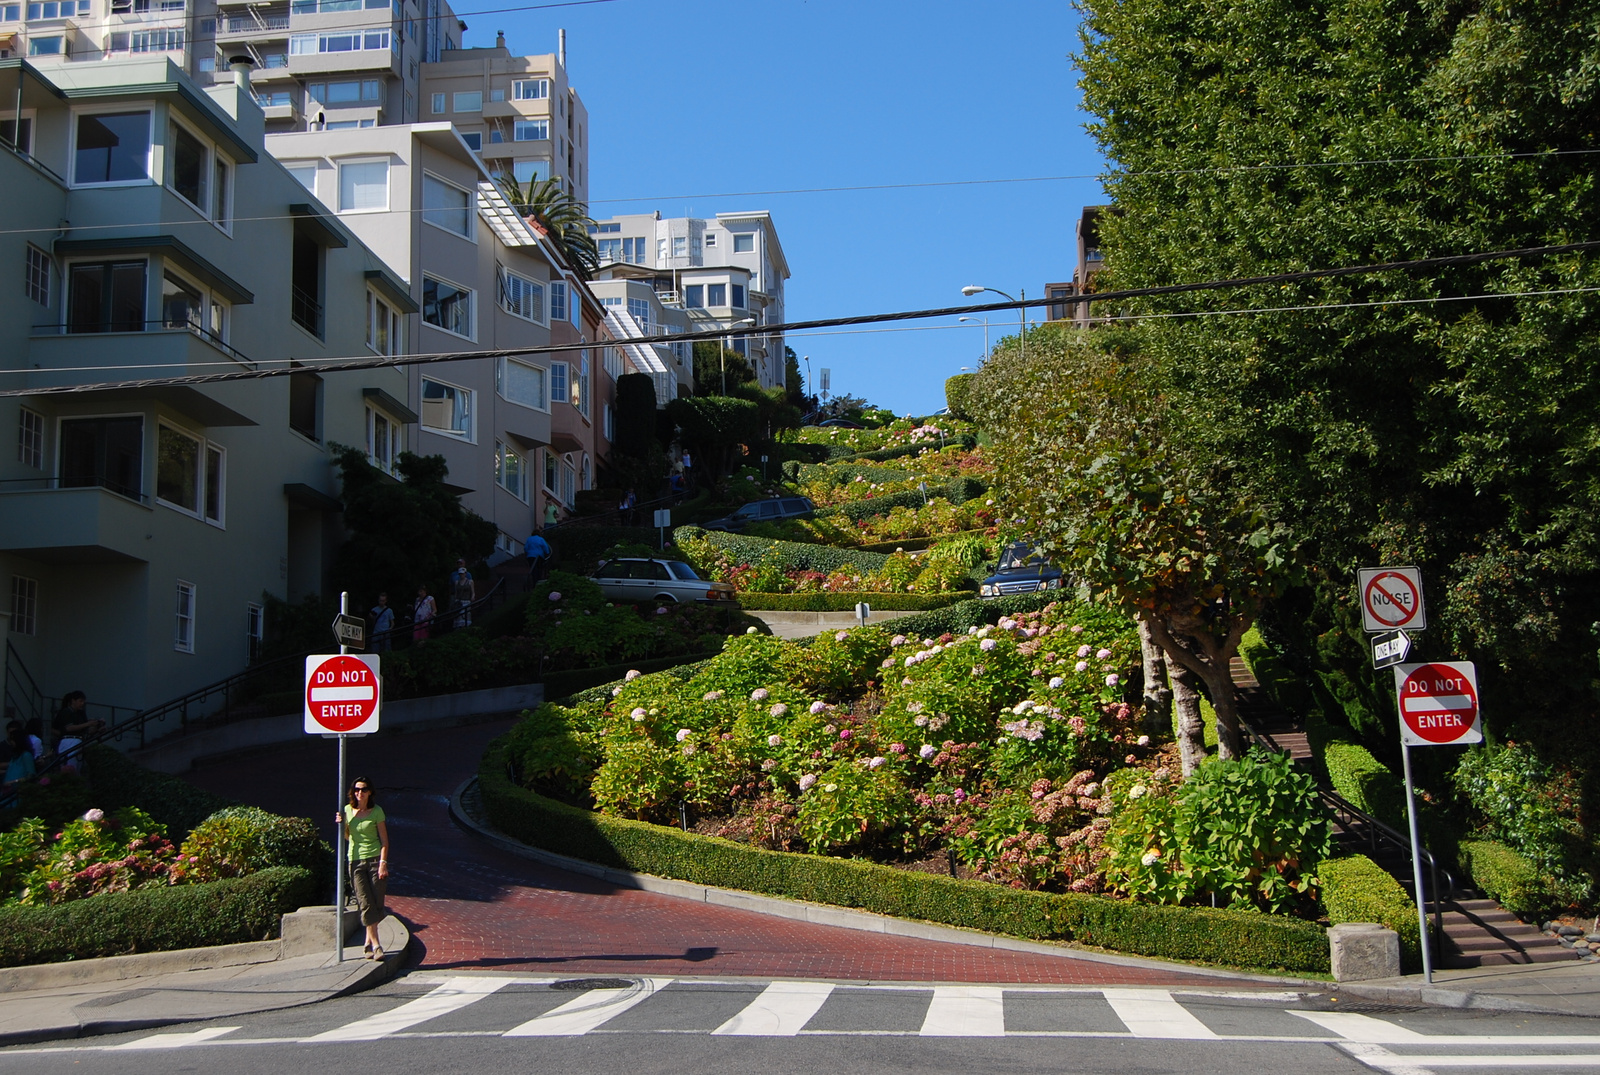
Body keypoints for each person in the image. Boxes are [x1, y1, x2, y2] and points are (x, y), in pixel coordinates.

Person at [336, 778, 390, 960]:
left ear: (370, 793)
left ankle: (367, 941)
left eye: (364, 790)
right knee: (365, 902)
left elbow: (384, 841)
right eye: (357, 790)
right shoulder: (347, 811)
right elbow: (346, 837)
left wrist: (383, 862)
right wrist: (341, 824)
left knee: (376, 903)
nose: (360, 793)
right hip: (355, 861)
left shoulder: (377, 812)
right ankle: (376, 945)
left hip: (375, 860)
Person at [51, 691, 102, 771]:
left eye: (83, 702)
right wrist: (88, 724)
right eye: (80, 701)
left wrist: (97, 728)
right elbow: (69, 728)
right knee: (70, 766)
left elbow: (86, 731)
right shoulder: (66, 712)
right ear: (73, 701)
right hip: (69, 740)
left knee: (76, 766)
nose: (82, 704)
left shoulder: (80, 714)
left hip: (78, 740)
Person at [450, 559, 475, 627]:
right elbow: (455, 590)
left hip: (466, 599)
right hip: (458, 599)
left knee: (465, 615)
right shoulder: (456, 580)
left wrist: (472, 596)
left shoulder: (469, 580)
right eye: (458, 564)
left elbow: (472, 591)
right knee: (458, 615)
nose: (461, 575)